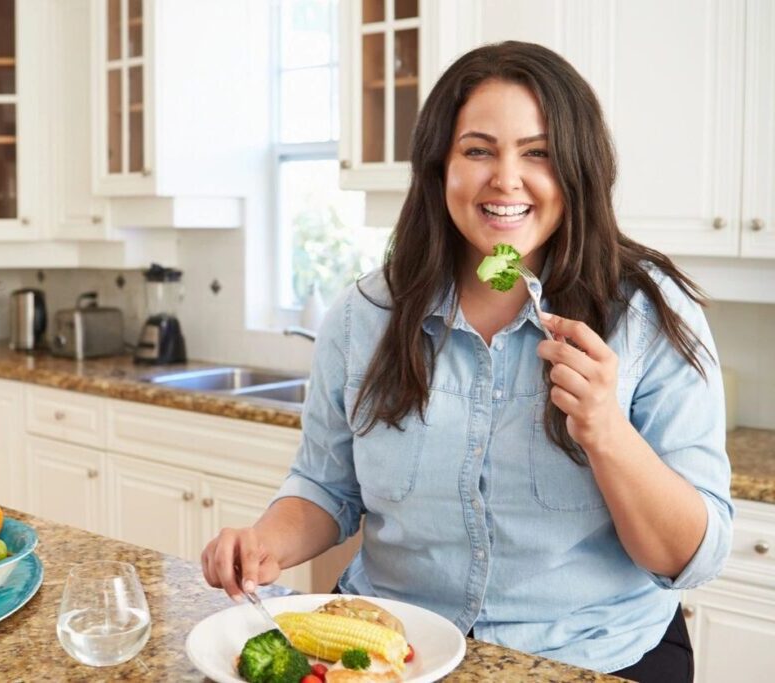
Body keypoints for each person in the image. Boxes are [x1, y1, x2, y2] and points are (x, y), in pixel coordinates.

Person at [200, 41, 732, 682]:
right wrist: (266, 543)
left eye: (537, 152)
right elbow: (326, 487)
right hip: (393, 647)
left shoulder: (648, 316)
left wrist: (606, 431)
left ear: (578, 170)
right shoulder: (363, 315)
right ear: (438, 168)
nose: (505, 179)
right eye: (478, 150)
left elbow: (689, 559)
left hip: (593, 655)